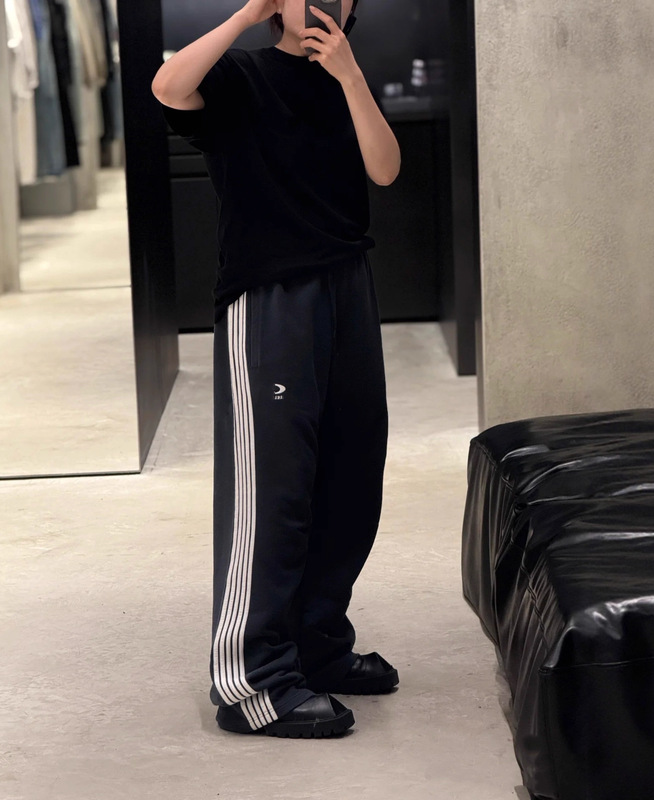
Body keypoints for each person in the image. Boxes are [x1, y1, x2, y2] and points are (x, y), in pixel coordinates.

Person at [152, 0, 401, 738]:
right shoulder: (242, 77)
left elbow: (385, 170)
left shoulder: (347, 80)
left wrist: (351, 77)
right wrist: (244, 15)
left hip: (348, 283)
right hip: (269, 296)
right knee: (274, 486)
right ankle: (252, 680)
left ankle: (318, 645)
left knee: (351, 474)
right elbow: (168, 86)